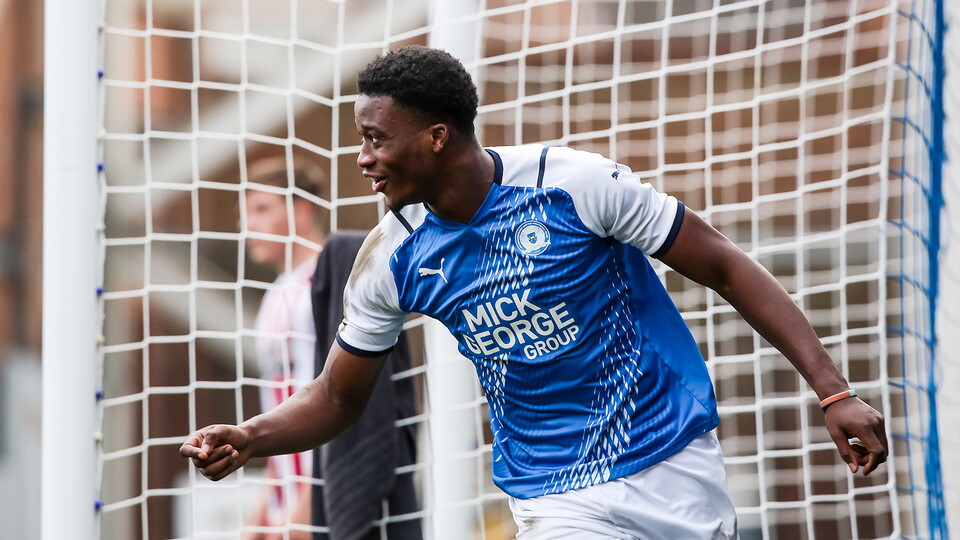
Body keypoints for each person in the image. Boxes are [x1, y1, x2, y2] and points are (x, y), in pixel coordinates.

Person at [183, 46, 887, 539]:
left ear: (435, 137)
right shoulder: (391, 257)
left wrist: (833, 392)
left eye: (375, 139)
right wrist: (249, 437)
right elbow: (338, 397)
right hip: (552, 494)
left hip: (670, 455)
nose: (363, 159)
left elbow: (726, 267)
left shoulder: (573, 185)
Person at [242, 156, 328, 540]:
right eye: (245, 214)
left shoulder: (327, 281)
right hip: (288, 510)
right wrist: (264, 510)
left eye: (262, 209)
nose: (249, 225)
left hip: (328, 504)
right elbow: (275, 412)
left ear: (302, 211)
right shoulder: (274, 296)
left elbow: (341, 401)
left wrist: (308, 505)